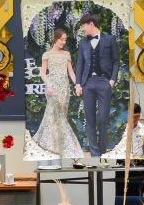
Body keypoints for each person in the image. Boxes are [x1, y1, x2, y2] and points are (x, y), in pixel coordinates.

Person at [32, 28, 84, 163]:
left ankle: (57, 148)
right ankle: (48, 147)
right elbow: (43, 73)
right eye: (61, 39)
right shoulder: (47, 54)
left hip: (64, 89)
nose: (63, 42)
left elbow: (71, 72)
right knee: (51, 115)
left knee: (61, 117)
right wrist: (49, 85)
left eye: (65, 40)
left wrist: (77, 84)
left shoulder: (66, 54)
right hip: (52, 88)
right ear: (55, 39)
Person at [74, 13, 118, 159]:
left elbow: (116, 61)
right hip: (88, 83)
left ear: (91, 24)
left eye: (84, 26)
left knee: (104, 118)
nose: (82, 29)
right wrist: (78, 84)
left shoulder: (110, 39)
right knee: (90, 118)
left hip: (104, 82)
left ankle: (102, 151)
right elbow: (79, 64)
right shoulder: (83, 43)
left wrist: (112, 80)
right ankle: (94, 154)